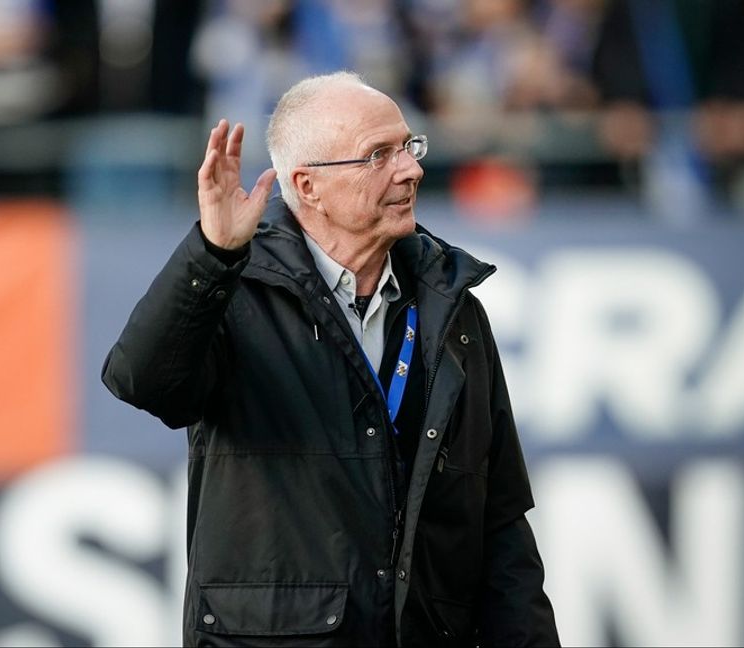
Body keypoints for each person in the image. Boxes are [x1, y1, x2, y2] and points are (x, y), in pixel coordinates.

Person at [102, 71, 558, 647]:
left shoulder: (456, 314)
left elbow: (501, 525)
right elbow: (141, 381)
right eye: (378, 155)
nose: (411, 169)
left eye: (408, 146)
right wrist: (212, 256)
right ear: (308, 187)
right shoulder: (231, 292)